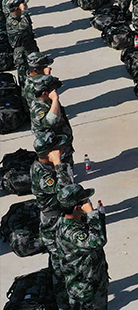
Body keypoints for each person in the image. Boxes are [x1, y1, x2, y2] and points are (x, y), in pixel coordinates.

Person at [31, 132, 73, 310]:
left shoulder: (42, 167)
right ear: (49, 153)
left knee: (63, 265)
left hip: (56, 219)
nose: (63, 149)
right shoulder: (45, 176)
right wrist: (59, 165)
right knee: (60, 270)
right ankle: (63, 304)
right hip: (54, 225)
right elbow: (66, 195)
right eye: (59, 148)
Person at [56, 183, 109, 310]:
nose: (88, 203)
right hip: (85, 288)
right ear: (77, 208)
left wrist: (97, 216)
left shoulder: (76, 219)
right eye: (85, 201)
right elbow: (97, 241)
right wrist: (91, 214)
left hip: (94, 278)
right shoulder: (71, 232)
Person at [29, 74, 75, 162]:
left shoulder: (47, 101)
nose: (56, 92)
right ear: (45, 94)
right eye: (54, 90)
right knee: (62, 172)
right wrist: (55, 99)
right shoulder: (38, 109)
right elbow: (51, 121)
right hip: (54, 148)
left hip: (63, 145)